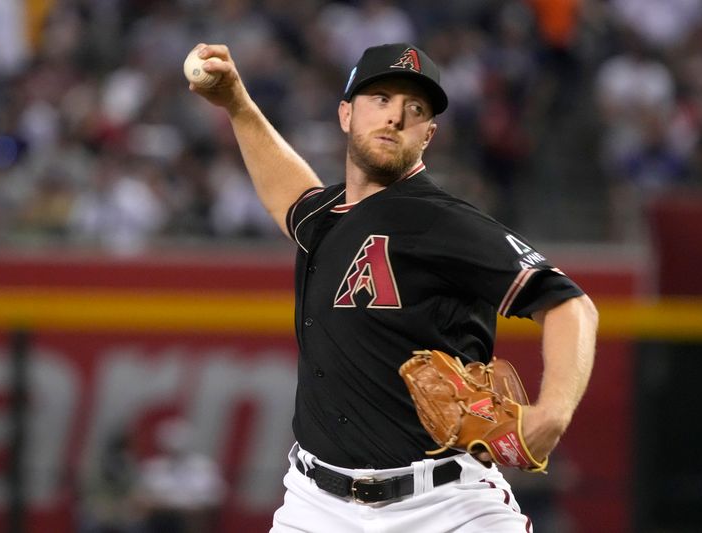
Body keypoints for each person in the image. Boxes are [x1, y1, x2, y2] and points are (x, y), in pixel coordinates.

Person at [188, 41, 598, 532]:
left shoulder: (443, 221)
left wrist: (551, 412)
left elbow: (570, 305)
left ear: (429, 133)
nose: (395, 116)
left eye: (415, 108)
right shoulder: (324, 218)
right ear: (345, 114)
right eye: (380, 98)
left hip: (445, 505)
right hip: (315, 504)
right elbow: (288, 196)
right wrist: (237, 102)